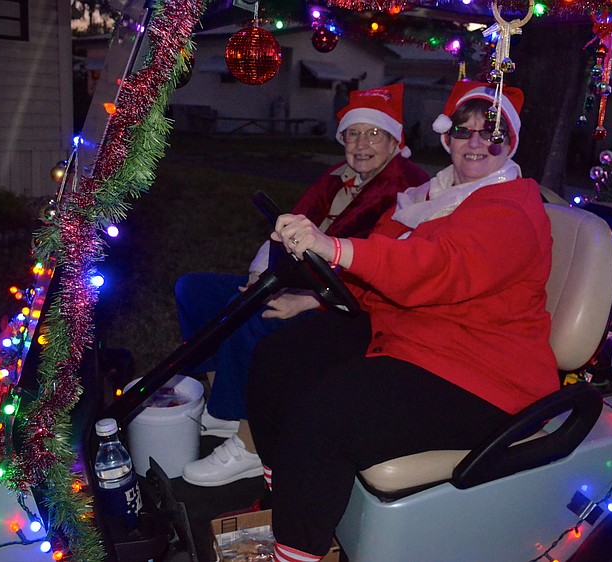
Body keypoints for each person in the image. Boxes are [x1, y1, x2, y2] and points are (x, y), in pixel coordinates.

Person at [245, 81, 558, 562]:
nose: (476, 143)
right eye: (464, 131)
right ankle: (282, 492)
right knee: (279, 359)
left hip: (482, 373)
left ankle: (294, 550)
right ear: (446, 137)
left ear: (510, 143)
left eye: (491, 134)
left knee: (325, 416)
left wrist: (334, 247)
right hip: (409, 334)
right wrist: (319, 298)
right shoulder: (427, 196)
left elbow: (435, 268)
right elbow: (379, 276)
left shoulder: (511, 209)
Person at [175, 83, 430, 487]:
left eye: (373, 134)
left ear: (395, 141)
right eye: (353, 134)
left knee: (255, 319)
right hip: (294, 279)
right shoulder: (340, 178)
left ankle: (252, 444)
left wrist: (307, 299)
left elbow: (379, 271)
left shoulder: (408, 193)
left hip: (345, 306)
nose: (361, 144)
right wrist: (262, 274)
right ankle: (226, 408)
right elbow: (293, 223)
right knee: (194, 289)